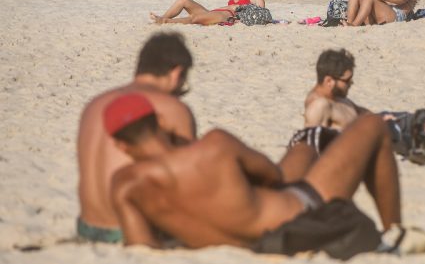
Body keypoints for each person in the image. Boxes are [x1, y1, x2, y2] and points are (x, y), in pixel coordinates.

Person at [106, 93, 403, 250]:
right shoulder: (214, 145)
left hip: (239, 244)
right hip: (297, 219)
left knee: (303, 147)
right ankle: (395, 233)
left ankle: (309, 142)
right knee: (373, 125)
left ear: (120, 145)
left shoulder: (125, 186)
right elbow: (272, 175)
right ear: (159, 120)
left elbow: (142, 247)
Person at [76, 33, 197, 243]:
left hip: (87, 227)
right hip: (132, 230)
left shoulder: (94, 104)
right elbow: (188, 181)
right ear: (176, 74)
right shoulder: (171, 107)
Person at [304, 48, 368, 129]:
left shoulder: (335, 95)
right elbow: (311, 139)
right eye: (347, 80)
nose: (351, 83)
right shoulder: (319, 106)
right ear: (329, 81)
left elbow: (359, 110)